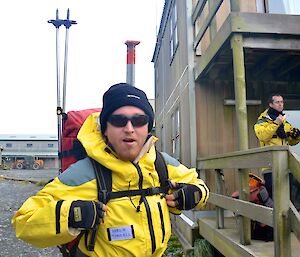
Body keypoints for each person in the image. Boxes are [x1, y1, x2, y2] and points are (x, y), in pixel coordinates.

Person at [12, 83, 209, 257]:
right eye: (118, 120)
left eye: (139, 120)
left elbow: (199, 185)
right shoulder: (85, 173)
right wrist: (72, 215)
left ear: (148, 127)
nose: (129, 128)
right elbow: (24, 221)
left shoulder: (162, 164)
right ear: (105, 128)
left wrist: (195, 194)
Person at [254, 93, 300, 209]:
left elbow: (292, 141)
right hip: (270, 167)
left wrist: (297, 136)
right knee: (274, 199)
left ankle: (288, 225)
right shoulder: (261, 121)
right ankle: (273, 226)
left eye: (282, 102)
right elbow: (263, 136)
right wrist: (276, 123)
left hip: (286, 166)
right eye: (277, 102)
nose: (280, 104)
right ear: (270, 104)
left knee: (287, 198)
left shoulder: (285, 122)